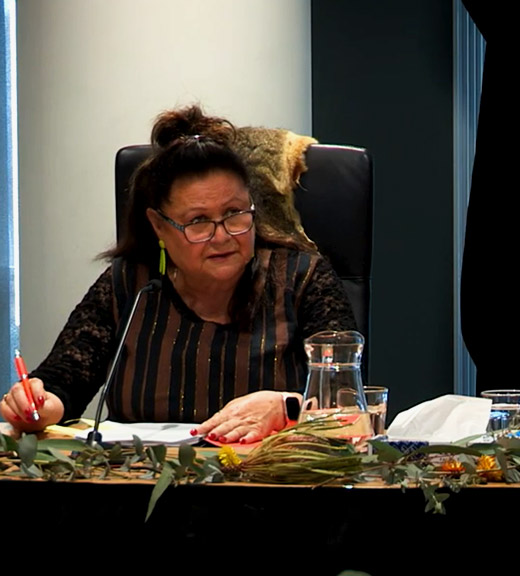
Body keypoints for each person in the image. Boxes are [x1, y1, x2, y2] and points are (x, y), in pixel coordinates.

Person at [1, 106, 357, 443]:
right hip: (137, 489)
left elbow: (346, 404)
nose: (222, 236)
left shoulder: (302, 279)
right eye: (198, 221)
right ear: (158, 225)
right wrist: (38, 405)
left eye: (235, 213)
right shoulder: (130, 285)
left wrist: (287, 408)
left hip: (269, 493)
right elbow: (65, 380)